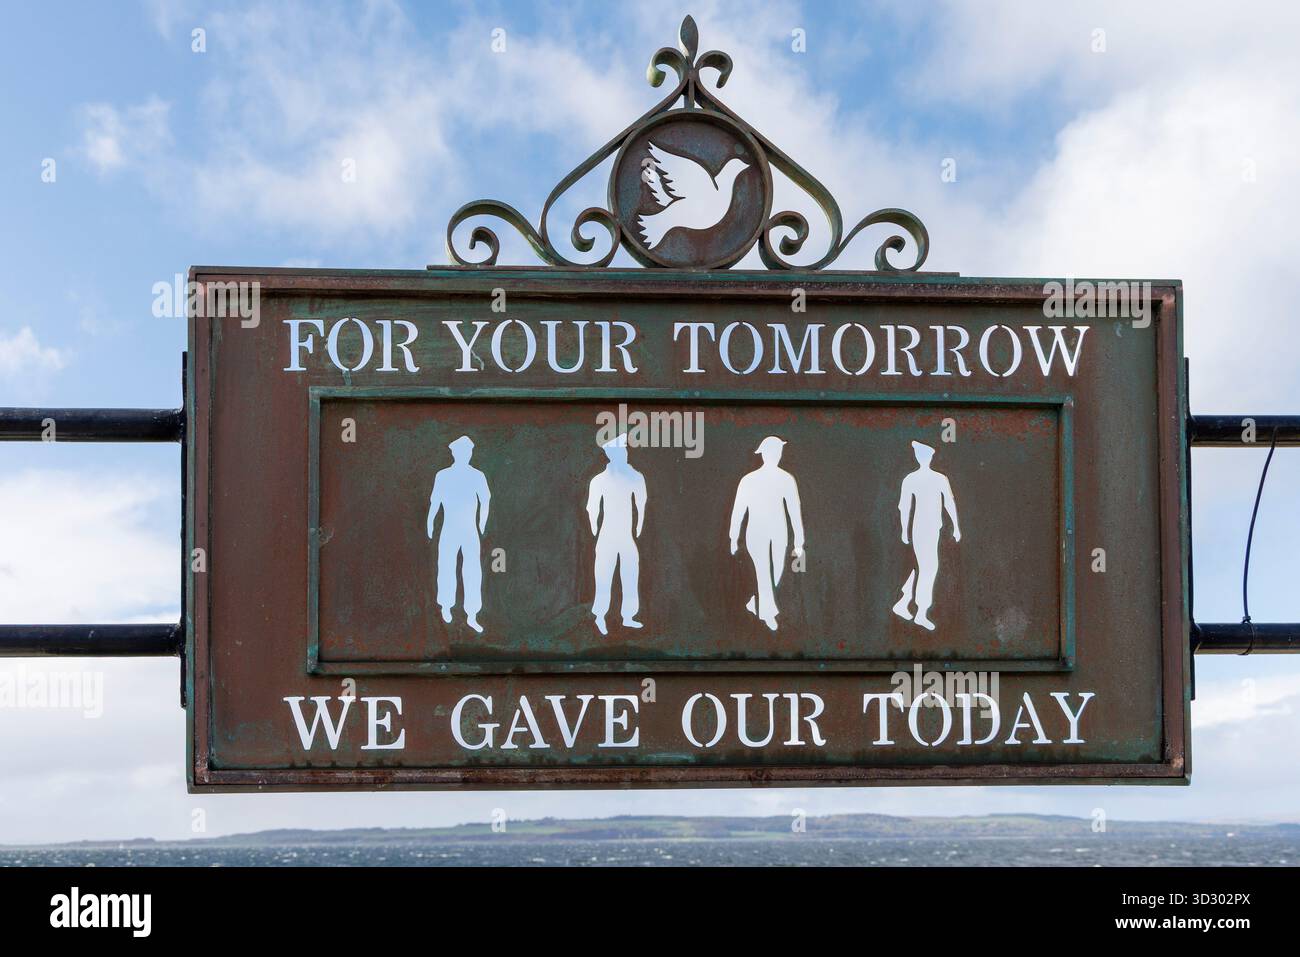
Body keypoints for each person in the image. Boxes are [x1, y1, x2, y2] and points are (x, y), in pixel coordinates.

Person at [729, 436, 805, 631]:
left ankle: (756, 602)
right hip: (755, 531)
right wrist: (733, 537)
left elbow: (794, 510)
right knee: (763, 570)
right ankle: (768, 614)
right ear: (764, 455)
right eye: (774, 451)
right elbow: (738, 510)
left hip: (779, 530)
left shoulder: (787, 479)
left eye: (778, 452)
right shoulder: (748, 480)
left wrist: (799, 541)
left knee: (776, 570)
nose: (777, 455)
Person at [892, 440, 960, 632]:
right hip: (924, 529)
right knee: (929, 568)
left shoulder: (919, 478)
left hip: (927, 529)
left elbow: (948, 502)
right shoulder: (933, 479)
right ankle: (921, 612)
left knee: (922, 566)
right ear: (928, 457)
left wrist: (956, 526)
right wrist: (955, 526)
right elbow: (905, 507)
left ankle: (904, 601)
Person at [427, 435, 491, 633]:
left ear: (470, 453)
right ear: (454, 453)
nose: (465, 455)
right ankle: (446, 606)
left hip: (470, 529)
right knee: (446, 566)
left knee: (472, 570)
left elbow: (486, 500)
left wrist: (482, 523)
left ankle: (472, 614)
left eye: (468, 452)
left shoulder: (477, 475)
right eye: (461, 452)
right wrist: (430, 522)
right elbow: (435, 502)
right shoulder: (443, 475)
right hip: (449, 528)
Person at [586, 433, 647, 636]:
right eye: (621, 450)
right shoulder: (599, 480)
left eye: (625, 449)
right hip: (606, 536)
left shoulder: (636, 477)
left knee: (630, 573)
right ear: (612, 454)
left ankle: (628, 616)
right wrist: (594, 528)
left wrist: (638, 527)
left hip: (626, 536)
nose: (625, 452)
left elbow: (641, 503)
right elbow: (592, 507)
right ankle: (600, 615)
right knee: (603, 575)